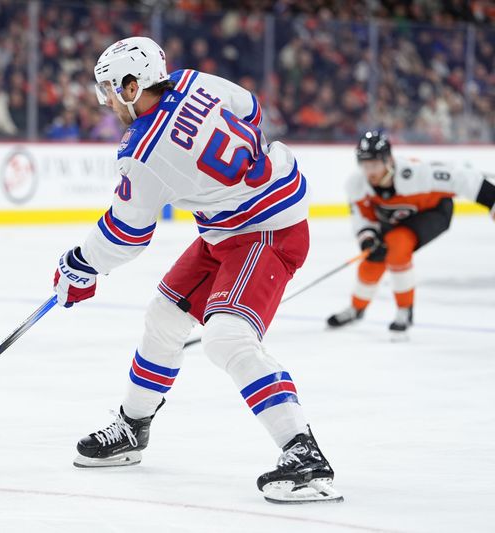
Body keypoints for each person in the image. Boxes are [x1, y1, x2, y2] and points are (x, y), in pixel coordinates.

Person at [52, 37, 342, 504]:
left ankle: (303, 454)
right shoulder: (190, 80)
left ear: (132, 86)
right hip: (233, 224)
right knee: (164, 317)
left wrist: (80, 266)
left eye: (110, 89)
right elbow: (250, 109)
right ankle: (132, 427)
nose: (107, 100)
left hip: (266, 232)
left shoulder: (142, 150)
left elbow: (127, 234)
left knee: (226, 337)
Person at [327, 131, 495, 339]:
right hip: (395, 219)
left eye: (375, 164)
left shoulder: (415, 174)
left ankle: (404, 311)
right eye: (365, 164)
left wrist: (492, 200)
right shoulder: (356, 184)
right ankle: (356, 309)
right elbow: (362, 218)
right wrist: (368, 237)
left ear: (388, 160)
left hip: (433, 212)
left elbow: (462, 178)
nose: (369, 171)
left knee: (398, 247)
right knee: (373, 257)